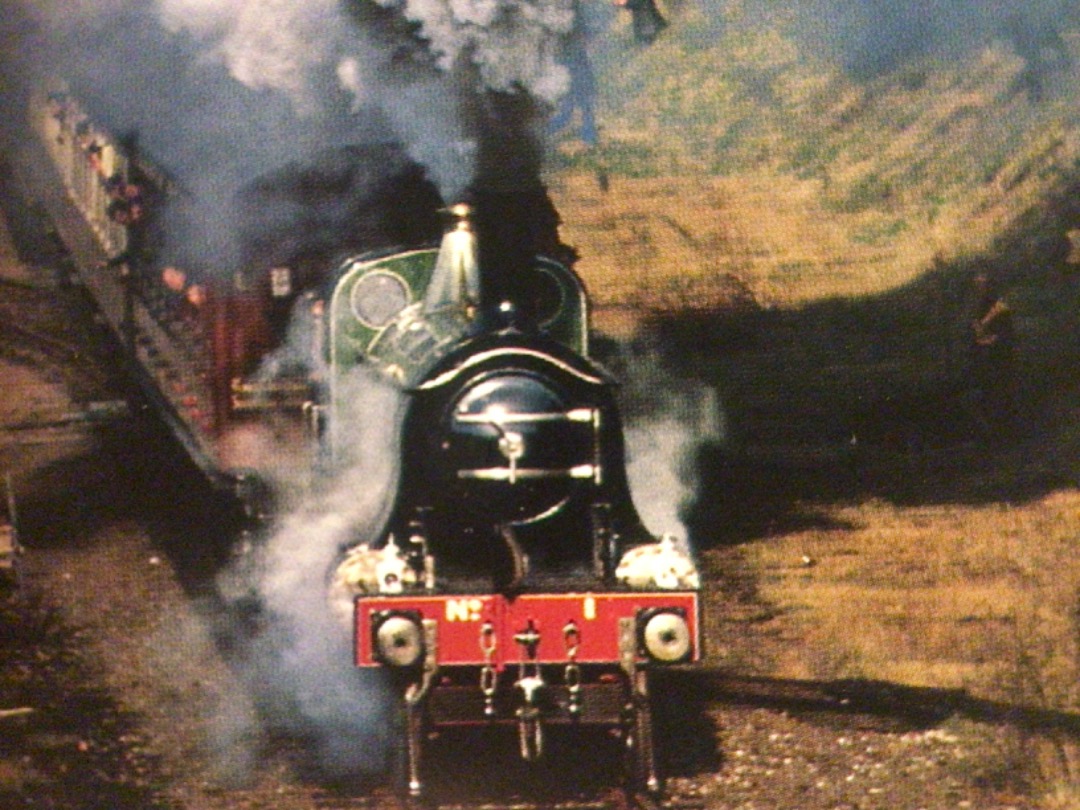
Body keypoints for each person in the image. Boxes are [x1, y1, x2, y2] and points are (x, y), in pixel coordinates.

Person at [967, 268, 1019, 440]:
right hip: (987, 356)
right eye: (978, 284)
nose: (980, 287)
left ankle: (1004, 431)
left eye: (983, 284)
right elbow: (977, 331)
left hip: (999, 355)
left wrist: (986, 337)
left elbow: (1004, 334)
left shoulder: (999, 305)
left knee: (999, 392)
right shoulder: (980, 304)